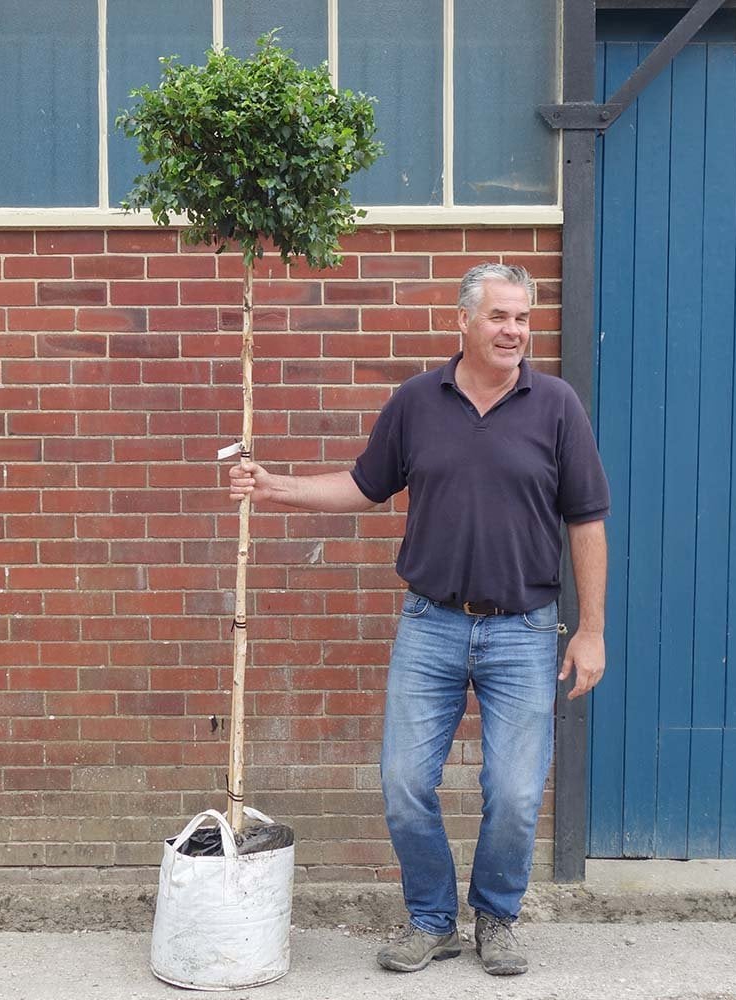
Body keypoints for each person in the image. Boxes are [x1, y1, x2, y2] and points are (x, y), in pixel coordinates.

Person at [229, 262, 609, 977]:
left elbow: (587, 520)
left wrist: (590, 630)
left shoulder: (557, 406)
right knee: (404, 783)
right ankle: (432, 920)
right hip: (431, 624)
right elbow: (364, 485)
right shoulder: (416, 402)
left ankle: (496, 917)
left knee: (516, 793)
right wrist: (275, 488)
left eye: (523, 318)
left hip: (524, 629)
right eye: (499, 316)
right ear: (462, 320)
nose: (514, 331)